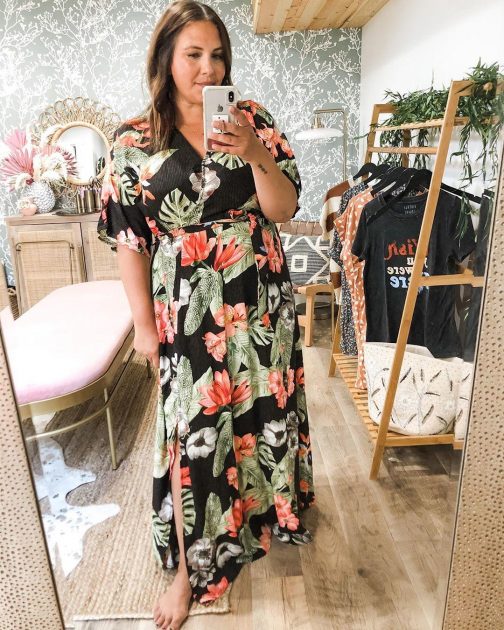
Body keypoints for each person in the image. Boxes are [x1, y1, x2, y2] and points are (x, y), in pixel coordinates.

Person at [97, 2, 315, 628]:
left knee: (264, 411)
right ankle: (192, 571)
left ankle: (266, 511)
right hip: (186, 310)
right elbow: (131, 243)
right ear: (166, 57)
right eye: (193, 54)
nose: (207, 68)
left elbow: (282, 209)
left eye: (216, 54)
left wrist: (255, 152)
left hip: (260, 296)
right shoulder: (133, 141)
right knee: (192, 429)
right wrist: (143, 326)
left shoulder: (253, 120)